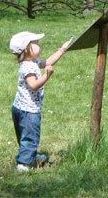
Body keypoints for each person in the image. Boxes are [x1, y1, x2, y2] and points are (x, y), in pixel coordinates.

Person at [9, 31, 70, 172]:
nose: (39, 45)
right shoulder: (27, 67)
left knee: (25, 135)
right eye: (35, 43)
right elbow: (34, 85)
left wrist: (62, 50)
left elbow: (48, 61)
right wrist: (47, 76)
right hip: (28, 110)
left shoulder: (31, 62)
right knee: (30, 137)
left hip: (19, 107)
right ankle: (23, 164)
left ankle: (31, 156)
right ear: (26, 49)